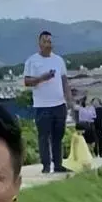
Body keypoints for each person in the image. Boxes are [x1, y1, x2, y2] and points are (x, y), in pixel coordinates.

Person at [23, 31, 73, 174]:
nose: (47, 44)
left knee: (58, 136)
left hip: (59, 104)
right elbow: (27, 81)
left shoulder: (58, 60)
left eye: (50, 42)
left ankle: (58, 165)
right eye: (45, 41)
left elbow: (64, 81)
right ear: (39, 43)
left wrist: (69, 100)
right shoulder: (32, 61)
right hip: (42, 106)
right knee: (44, 136)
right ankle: (46, 165)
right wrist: (42, 78)